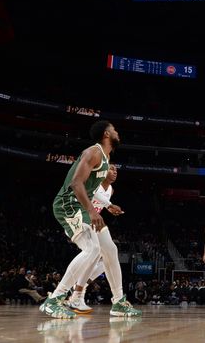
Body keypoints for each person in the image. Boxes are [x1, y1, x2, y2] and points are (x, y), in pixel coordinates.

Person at [42, 121, 139, 318]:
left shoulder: (106, 156)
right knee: (92, 249)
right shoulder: (93, 152)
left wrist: (107, 204)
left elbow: (92, 189)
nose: (117, 133)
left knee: (110, 250)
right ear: (106, 134)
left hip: (82, 208)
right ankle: (54, 299)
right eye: (114, 130)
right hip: (68, 205)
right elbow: (76, 182)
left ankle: (118, 301)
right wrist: (93, 212)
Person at [67, 164, 137, 316]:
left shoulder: (110, 190)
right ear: (103, 171)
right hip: (80, 219)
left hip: (94, 222)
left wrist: (110, 208)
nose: (115, 172)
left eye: (117, 170)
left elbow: (101, 205)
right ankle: (73, 290)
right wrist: (110, 205)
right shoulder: (94, 182)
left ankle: (83, 288)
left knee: (109, 255)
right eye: (112, 169)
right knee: (96, 253)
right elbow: (92, 194)